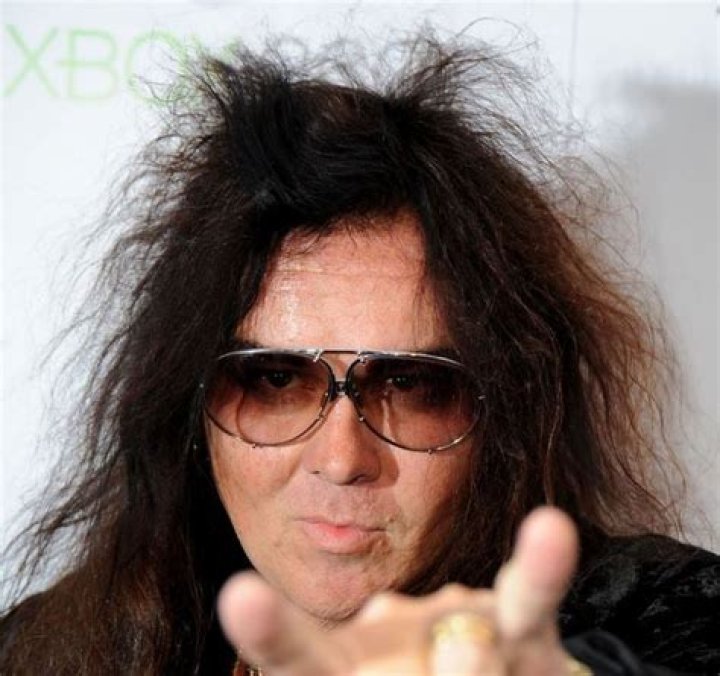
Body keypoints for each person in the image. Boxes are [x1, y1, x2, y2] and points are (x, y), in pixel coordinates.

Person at [1, 33, 718, 675]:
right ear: (187, 412)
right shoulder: (54, 646)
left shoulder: (659, 609)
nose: (342, 459)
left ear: (505, 421)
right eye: (273, 380)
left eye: (413, 386)